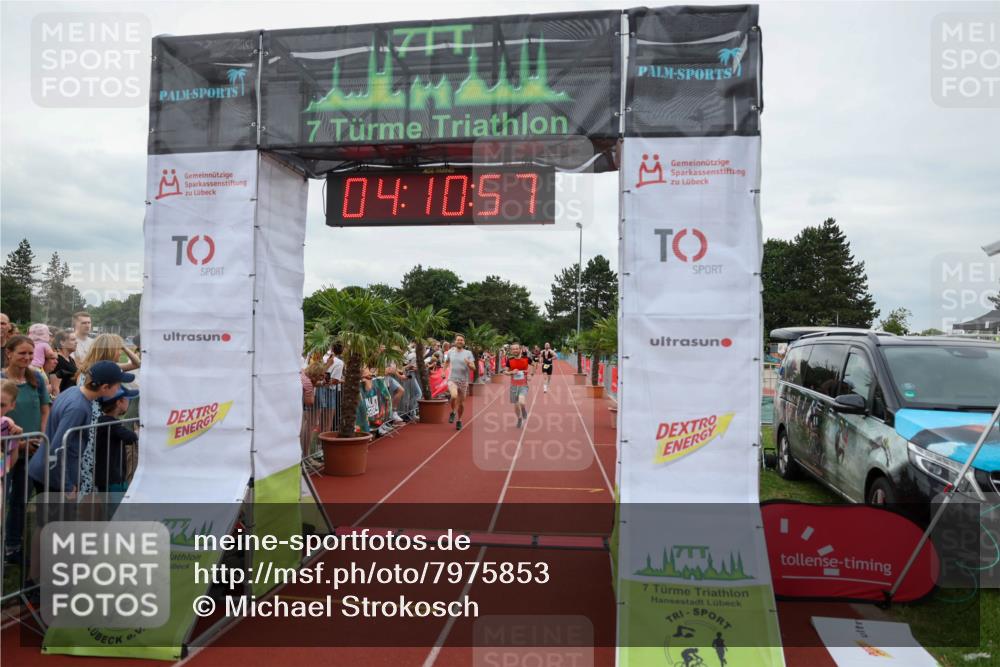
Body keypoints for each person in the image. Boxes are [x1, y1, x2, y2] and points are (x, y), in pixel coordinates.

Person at [27, 360, 132, 495]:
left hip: (47, 470)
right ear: (105, 387)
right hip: (54, 477)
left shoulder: (73, 391)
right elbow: (58, 447)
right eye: (118, 385)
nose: (119, 389)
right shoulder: (78, 408)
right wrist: (66, 485)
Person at [2, 335, 51, 562]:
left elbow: (45, 410)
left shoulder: (37, 378)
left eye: (30, 353)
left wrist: (40, 437)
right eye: (22, 353)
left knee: (20, 500)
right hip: (5, 451)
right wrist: (19, 443)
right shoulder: (2, 380)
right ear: (9, 353)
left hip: (31, 451)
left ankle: (12, 546)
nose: (27, 357)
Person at [93, 386, 139, 493]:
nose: (129, 402)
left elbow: (126, 439)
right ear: (119, 402)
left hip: (112, 475)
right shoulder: (109, 423)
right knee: (114, 502)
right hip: (111, 477)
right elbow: (130, 437)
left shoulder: (107, 421)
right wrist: (138, 432)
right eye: (127, 399)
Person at [1, 379, 25, 514]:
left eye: (1, 405)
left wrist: (16, 439)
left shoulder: (6, 424)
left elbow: (9, 464)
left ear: (12, 406)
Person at [443, 334, 475, 431]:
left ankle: (459, 420)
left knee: (461, 403)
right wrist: (443, 372)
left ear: (464, 342)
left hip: (463, 380)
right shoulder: (450, 352)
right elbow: (447, 362)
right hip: (452, 379)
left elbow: (474, 368)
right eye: (458, 340)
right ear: (455, 341)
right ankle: (453, 412)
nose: (460, 341)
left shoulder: (468, 353)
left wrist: (469, 364)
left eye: (461, 340)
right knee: (454, 396)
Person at [505, 342, 533, 428]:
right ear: (511, 351)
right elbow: (505, 372)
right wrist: (511, 372)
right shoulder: (509, 360)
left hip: (523, 385)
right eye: (513, 349)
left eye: (516, 349)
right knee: (516, 405)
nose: (515, 350)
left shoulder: (526, 358)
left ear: (520, 349)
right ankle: (519, 418)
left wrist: (530, 374)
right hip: (513, 386)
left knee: (521, 401)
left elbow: (534, 365)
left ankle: (523, 410)